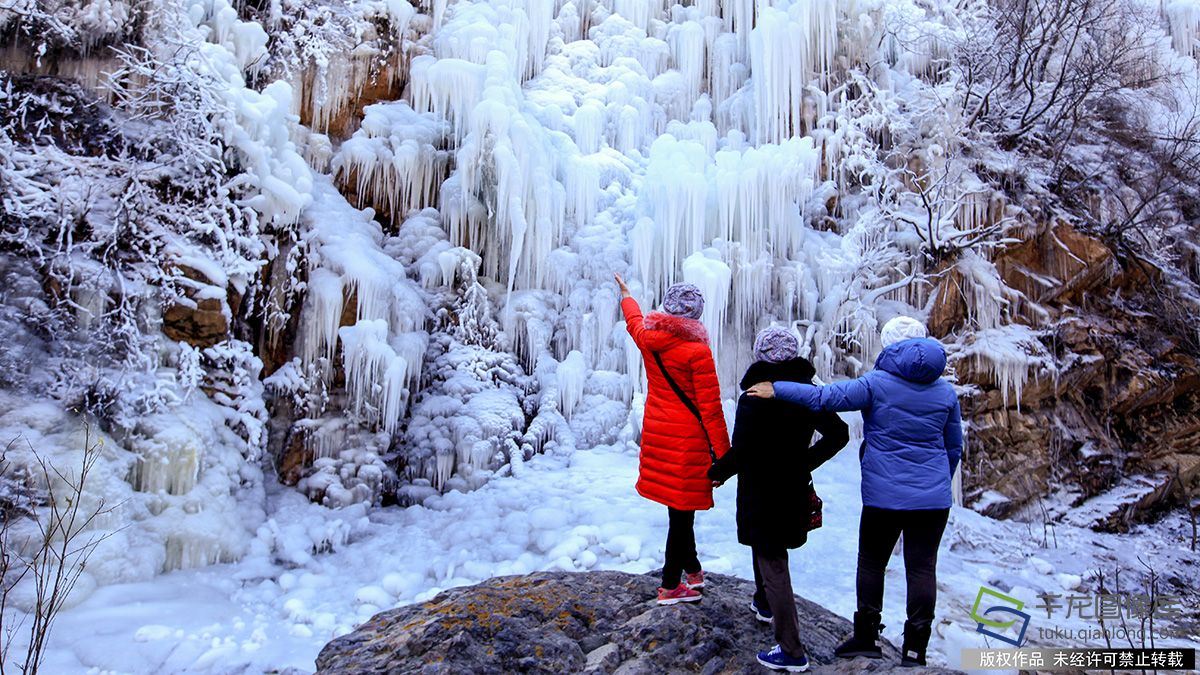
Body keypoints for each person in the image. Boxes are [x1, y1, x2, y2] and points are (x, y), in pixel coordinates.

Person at [746, 316, 962, 668]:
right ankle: (915, 651)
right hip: (933, 499)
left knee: (872, 562)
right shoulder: (945, 391)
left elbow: (824, 398)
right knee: (922, 569)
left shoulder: (877, 383)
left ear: (890, 348)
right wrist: (937, 481)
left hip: (884, 495)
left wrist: (779, 388)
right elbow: (954, 447)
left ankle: (866, 638)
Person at [708, 326, 849, 673]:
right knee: (765, 545)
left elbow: (741, 450)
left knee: (772, 558)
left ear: (760, 356)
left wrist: (717, 472)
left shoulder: (754, 397)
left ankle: (791, 649)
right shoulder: (807, 393)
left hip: (761, 486)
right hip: (793, 485)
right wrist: (804, 461)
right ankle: (763, 603)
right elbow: (839, 434)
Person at [615, 273, 731, 605]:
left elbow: (634, 321)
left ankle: (692, 571)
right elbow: (710, 409)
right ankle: (669, 585)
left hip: (658, 434)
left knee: (679, 509)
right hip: (688, 442)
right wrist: (724, 458)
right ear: (695, 315)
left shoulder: (650, 340)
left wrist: (626, 295)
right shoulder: (697, 352)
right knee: (681, 514)